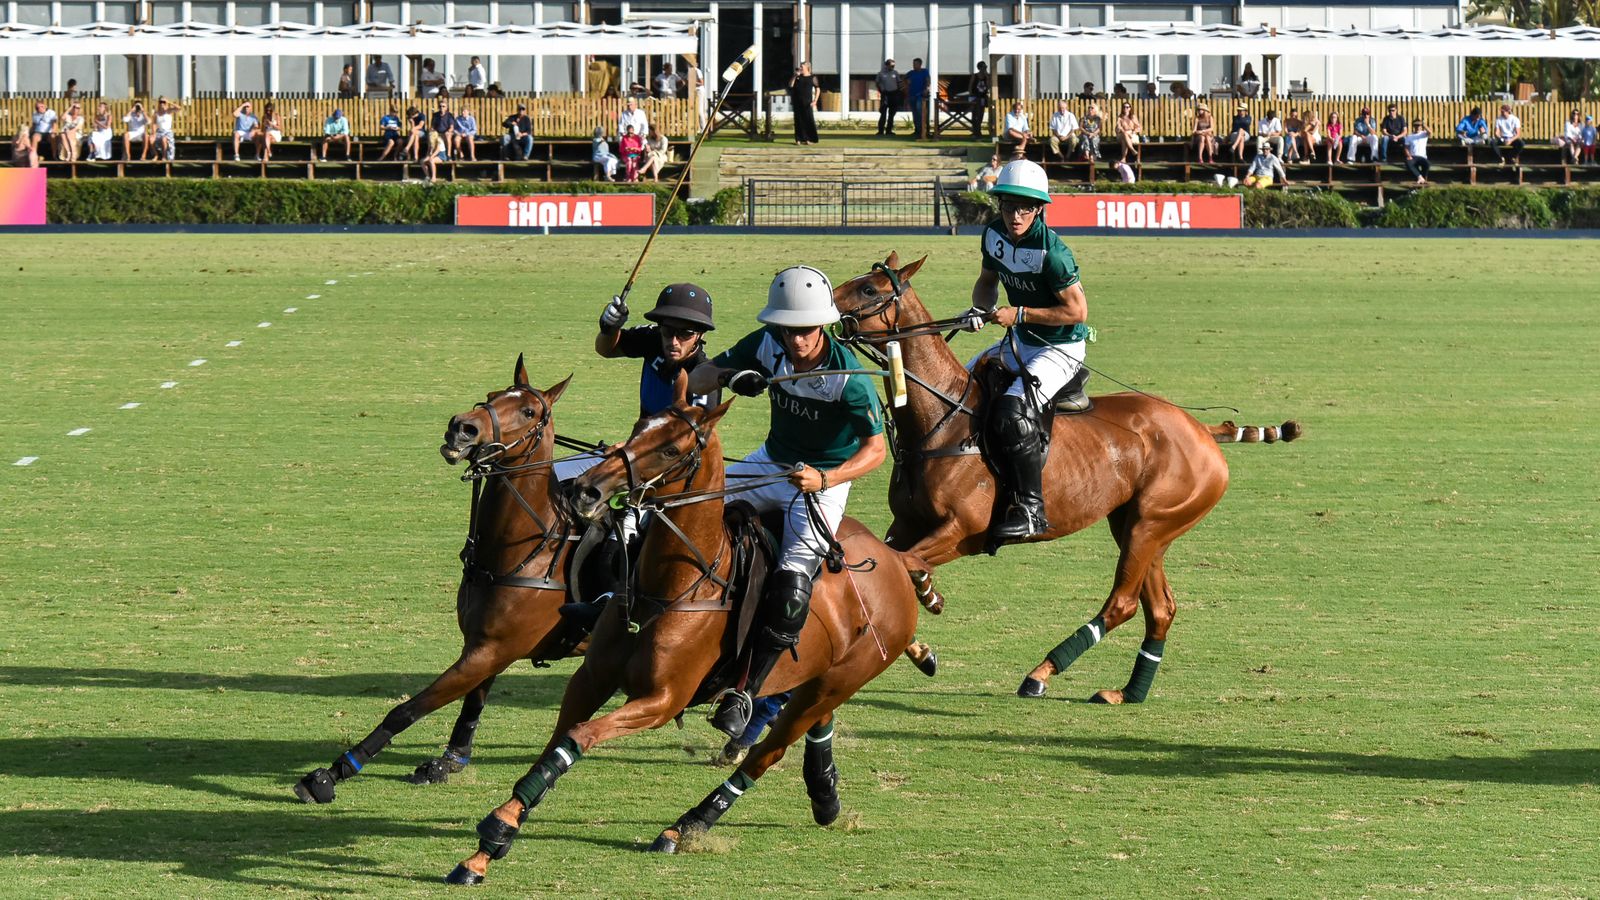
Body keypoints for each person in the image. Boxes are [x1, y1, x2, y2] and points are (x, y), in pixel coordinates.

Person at [687, 266, 888, 737]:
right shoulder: (766, 344)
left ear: (823, 325)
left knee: (796, 571)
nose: (796, 341)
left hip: (822, 479)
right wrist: (731, 375)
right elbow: (698, 377)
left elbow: (876, 450)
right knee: (692, 505)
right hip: (771, 462)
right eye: (787, 330)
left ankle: (746, 691)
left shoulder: (849, 379)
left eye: (805, 331)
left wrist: (827, 477)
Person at [960, 160, 1088, 544]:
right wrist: (982, 309)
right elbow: (986, 284)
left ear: (1039, 210)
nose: (1015, 215)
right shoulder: (994, 236)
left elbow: (1077, 311)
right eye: (1008, 206)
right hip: (1020, 341)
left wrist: (1020, 313)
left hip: (1060, 347)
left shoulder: (1054, 252)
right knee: (961, 389)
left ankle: (1032, 510)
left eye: (1025, 208)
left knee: (1012, 411)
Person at [789, 62, 819, 145]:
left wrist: (815, 100)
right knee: (798, 120)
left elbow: (818, 89)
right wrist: (795, 76)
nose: (800, 68)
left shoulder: (812, 77)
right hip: (797, 101)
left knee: (808, 120)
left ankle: (808, 139)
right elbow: (791, 85)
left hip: (807, 102)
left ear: (807, 67)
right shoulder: (798, 77)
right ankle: (798, 139)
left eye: (802, 67)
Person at [875, 59, 904, 136]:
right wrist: (881, 90)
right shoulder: (881, 74)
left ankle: (889, 131)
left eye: (894, 66)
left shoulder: (895, 73)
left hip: (893, 95)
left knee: (891, 114)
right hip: (885, 95)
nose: (893, 67)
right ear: (887, 65)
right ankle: (880, 131)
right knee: (883, 114)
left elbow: (899, 83)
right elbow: (877, 83)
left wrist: (899, 92)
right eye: (891, 66)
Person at [906, 58, 931, 140]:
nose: (914, 66)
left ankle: (924, 131)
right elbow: (904, 79)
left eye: (916, 64)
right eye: (913, 64)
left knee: (921, 112)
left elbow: (928, 81)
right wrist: (907, 82)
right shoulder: (911, 73)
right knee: (915, 113)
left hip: (920, 95)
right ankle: (917, 130)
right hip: (912, 95)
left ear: (920, 64)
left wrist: (926, 89)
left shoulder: (924, 71)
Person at [1402, 118, 1431, 185]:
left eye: (1419, 125)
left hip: (1422, 157)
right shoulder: (1409, 136)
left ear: (1421, 126)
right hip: (1413, 156)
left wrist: (1424, 124)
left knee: (1427, 164)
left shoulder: (1424, 134)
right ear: (1413, 126)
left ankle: (1422, 179)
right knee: (1408, 162)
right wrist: (1408, 156)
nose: (1418, 127)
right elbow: (1406, 148)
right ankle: (1420, 177)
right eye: (1416, 125)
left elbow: (1430, 132)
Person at [151, 97, 180, 161]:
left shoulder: (169, 111)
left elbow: (178, 108)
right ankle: (156, 155)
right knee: (151, 139)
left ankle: (164, 156)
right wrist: (153, 133)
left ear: (166, 103)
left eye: (163, 102)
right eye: (160, 102)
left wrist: (169, 102)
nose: (162, 103)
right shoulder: (156, 112)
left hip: (167, 132)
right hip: (159, 132)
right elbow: (154, 123)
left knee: (164, 139)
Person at [969, 61, 990, 138]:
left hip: (982, 97)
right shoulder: (975, 76)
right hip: (975, 97)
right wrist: (970, 97)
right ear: (979, 68)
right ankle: (975, 131)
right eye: (982, 67)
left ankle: (978, 131)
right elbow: (970, 86)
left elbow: (988, 86)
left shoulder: (986, 77)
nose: (984, 69)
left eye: (985, 67)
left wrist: (987, 76)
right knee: (975, 114)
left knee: (981, 114)